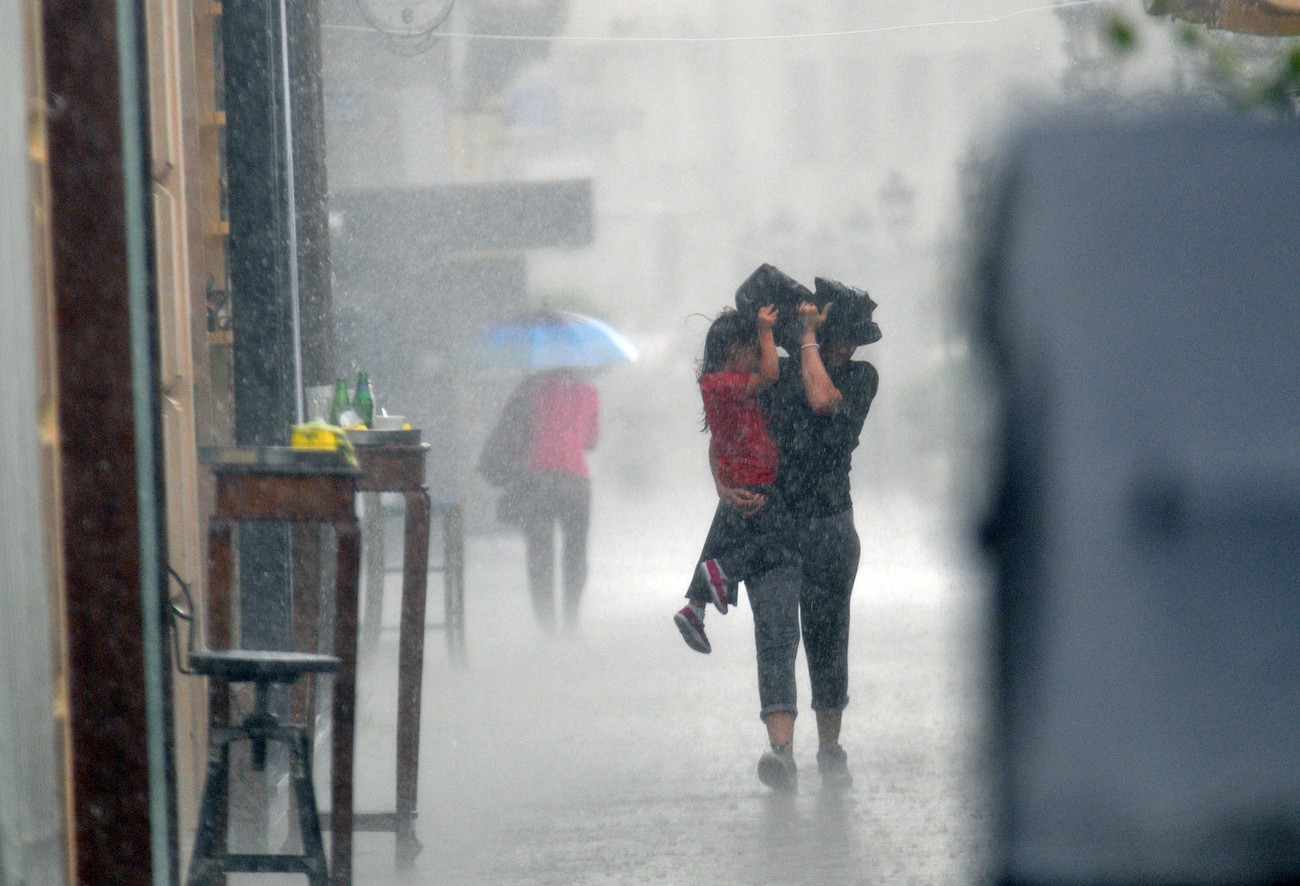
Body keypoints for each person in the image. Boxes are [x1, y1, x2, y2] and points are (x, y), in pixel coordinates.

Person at [741, 278, 880, 792]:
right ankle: (781, 752)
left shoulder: (862, 378)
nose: (850, 347)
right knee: (776, 639)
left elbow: (823, 400)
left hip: (829, 523)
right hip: (776, 525)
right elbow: (730, 412)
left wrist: (806, 342)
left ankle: (829, 746)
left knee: (826, 636)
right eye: (842, 336)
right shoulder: (777, 375)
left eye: (849, 339)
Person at [673, 304, 785, 654]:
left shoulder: (716, 384)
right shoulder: (727, 384)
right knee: (781, 539)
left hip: (736, 478)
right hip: (756, 479)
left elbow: (715, 443)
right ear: (735, 352)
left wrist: (722, 487)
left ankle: (695, 606)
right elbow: (771, 375)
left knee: (722, 532)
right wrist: (766, 331)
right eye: (754, 351)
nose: (760, 357)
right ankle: (724, 571)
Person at [495, 367, 600, 632]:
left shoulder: (529, 389)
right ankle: (571, 623)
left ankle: (547, 628)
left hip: (537, 479)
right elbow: (591, 442)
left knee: (540, 555)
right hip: (575, 479)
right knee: (575, 552)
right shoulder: (589, 392)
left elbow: (516, 433)